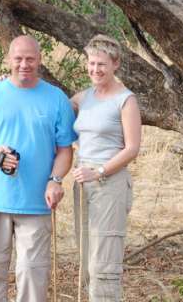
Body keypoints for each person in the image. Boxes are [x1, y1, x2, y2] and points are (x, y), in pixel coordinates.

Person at [0, 35, 77, 302]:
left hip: (36, 203)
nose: (24, 64)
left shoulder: (56, 98)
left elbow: (65, 150)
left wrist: (55, 179)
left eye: (30, 59)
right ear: (8, 60)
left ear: (40, 60)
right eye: (18, 58)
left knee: (33, 275)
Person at [70, 34, 142, 302]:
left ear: (116, 64)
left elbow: (132, 148)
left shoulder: (125, 100)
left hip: (108, 184)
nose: (95, 69)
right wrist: (10, 84)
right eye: (91, 63)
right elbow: (53, 110)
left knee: (105, 266)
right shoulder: (83, 97)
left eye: (101, 64)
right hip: (82, 183)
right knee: (87, 260)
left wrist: (99, 171)